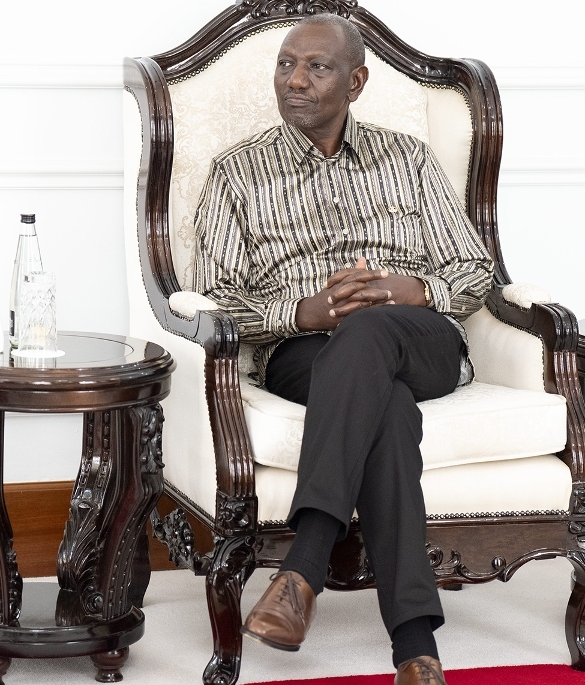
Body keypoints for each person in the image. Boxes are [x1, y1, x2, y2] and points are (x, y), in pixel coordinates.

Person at [192, 13, 492, 685]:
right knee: (383, 406)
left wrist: (412, 288)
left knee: (369, 328)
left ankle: (303, 566)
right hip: (304, 350)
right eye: (284, 65)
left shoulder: (407, 159)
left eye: (316, 68)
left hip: (419, 339)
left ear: (356, 82)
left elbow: (476, 271)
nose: (294, 80)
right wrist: (305, 309)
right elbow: (212, 295)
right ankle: (416, 650)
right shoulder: (237, 174)